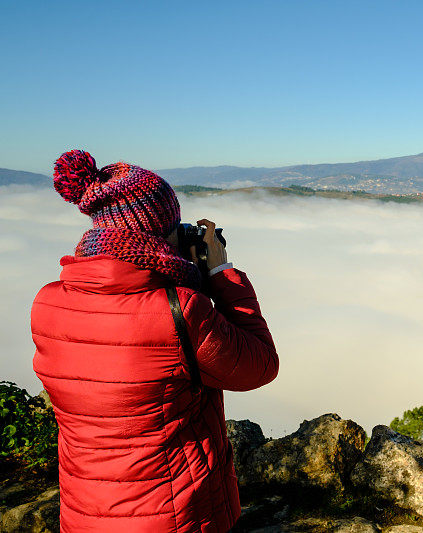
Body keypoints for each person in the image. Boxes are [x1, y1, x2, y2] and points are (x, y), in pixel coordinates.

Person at [30, 149, 279, 532]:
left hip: (85, 516)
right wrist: (220, 272)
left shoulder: (48, 301)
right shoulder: (180, 311)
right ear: (158, 232)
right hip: (177, 516)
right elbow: (259, 365)